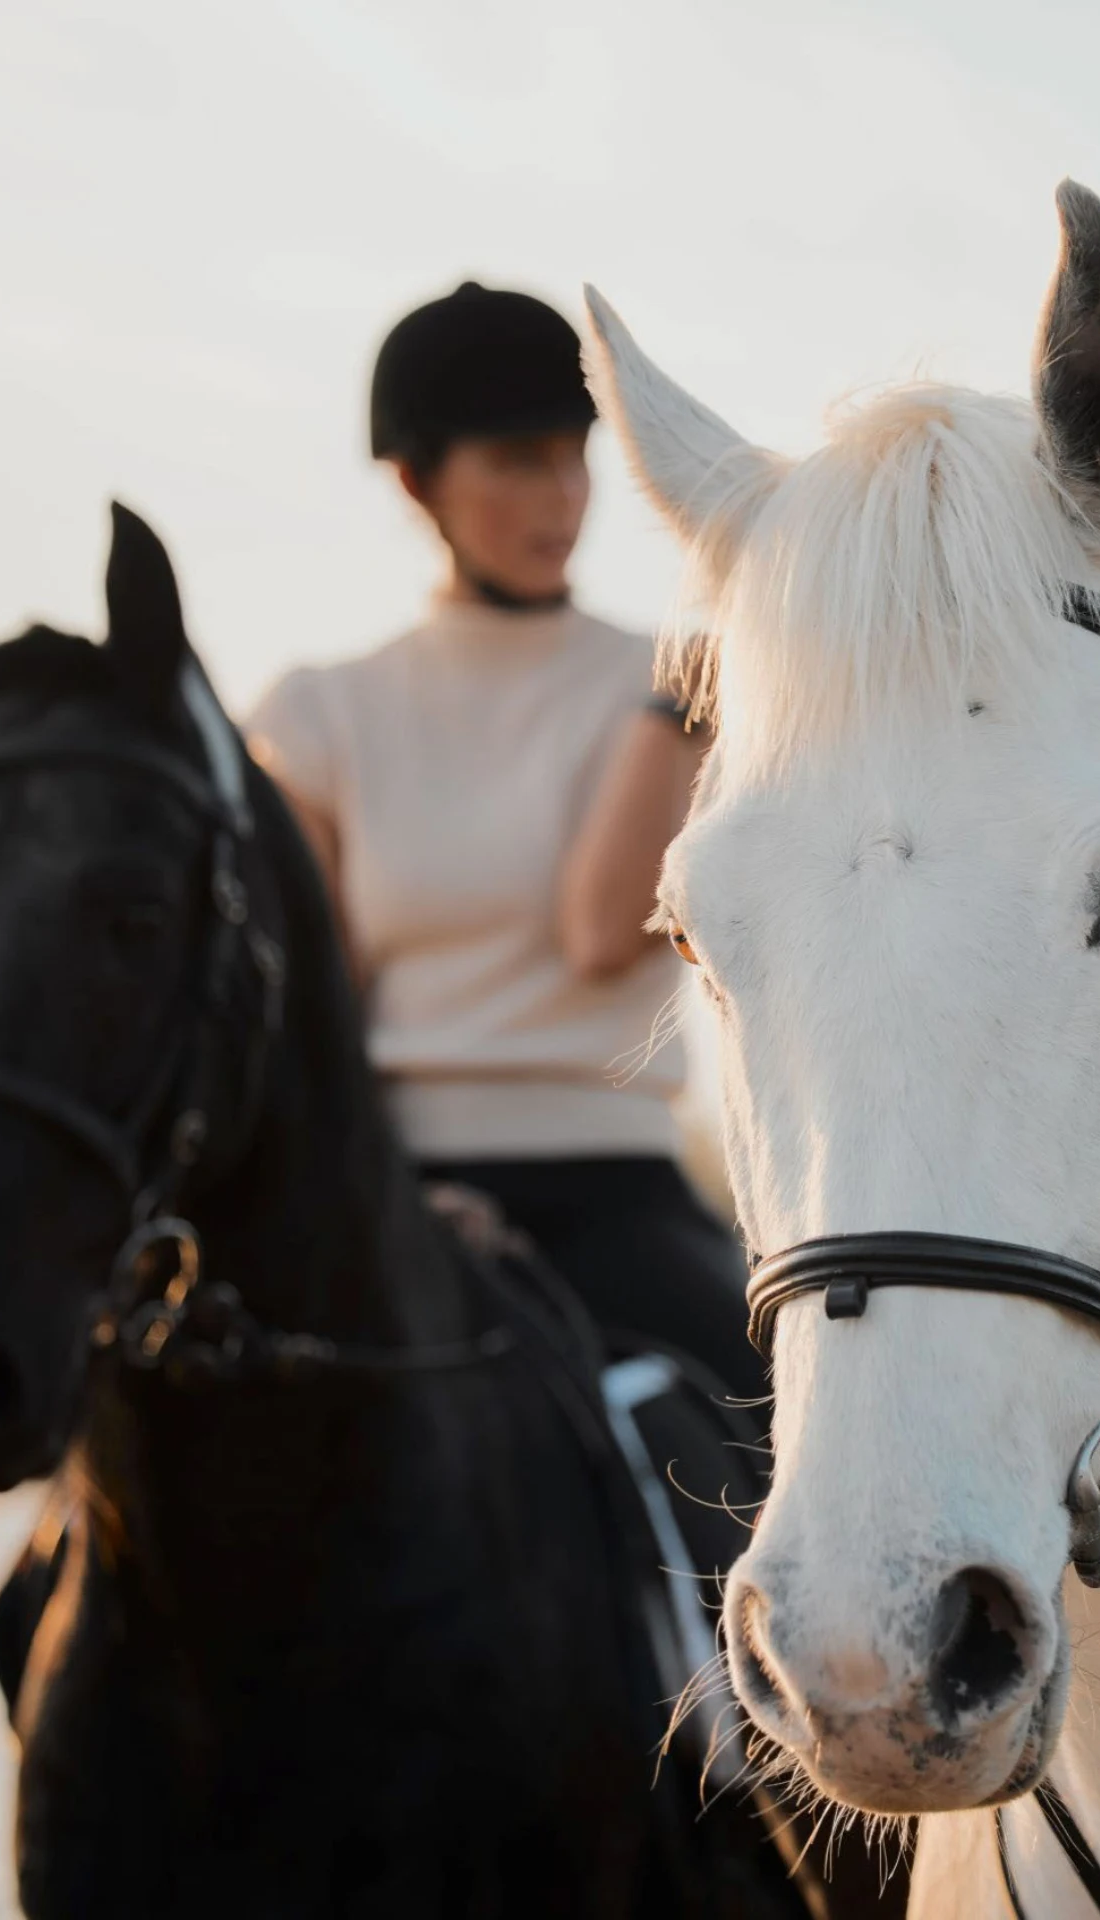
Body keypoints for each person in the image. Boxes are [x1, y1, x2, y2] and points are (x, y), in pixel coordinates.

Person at [247, 281, 760, 1407]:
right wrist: (381, 1187)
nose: (563, 497)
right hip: (385, 1188)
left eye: (576, 458)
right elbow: (313, 1012)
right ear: (418, 481)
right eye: (519, 462)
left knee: (777, 1441)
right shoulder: (320, 713)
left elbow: (596, 933)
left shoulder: (675, 675)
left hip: (616, 1193)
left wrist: (676, 703)